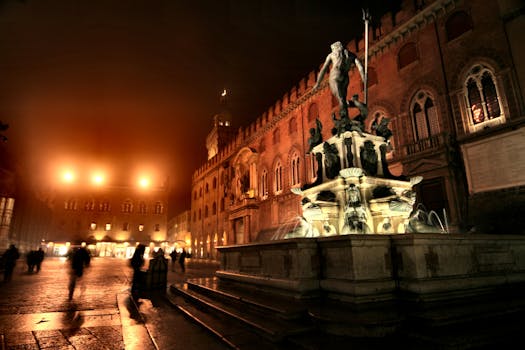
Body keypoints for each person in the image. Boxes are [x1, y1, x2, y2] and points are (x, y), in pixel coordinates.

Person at [313, 41, 365, 118]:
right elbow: (360, 67)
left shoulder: (332, 55)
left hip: (335, 76)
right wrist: (364, 78)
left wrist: (317, 83)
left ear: (334, 48)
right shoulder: (351, 55)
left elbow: (323, 69)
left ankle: (345, 118)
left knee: (341, 99)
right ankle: (354, 104)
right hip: (345, 78)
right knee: (342, 99)